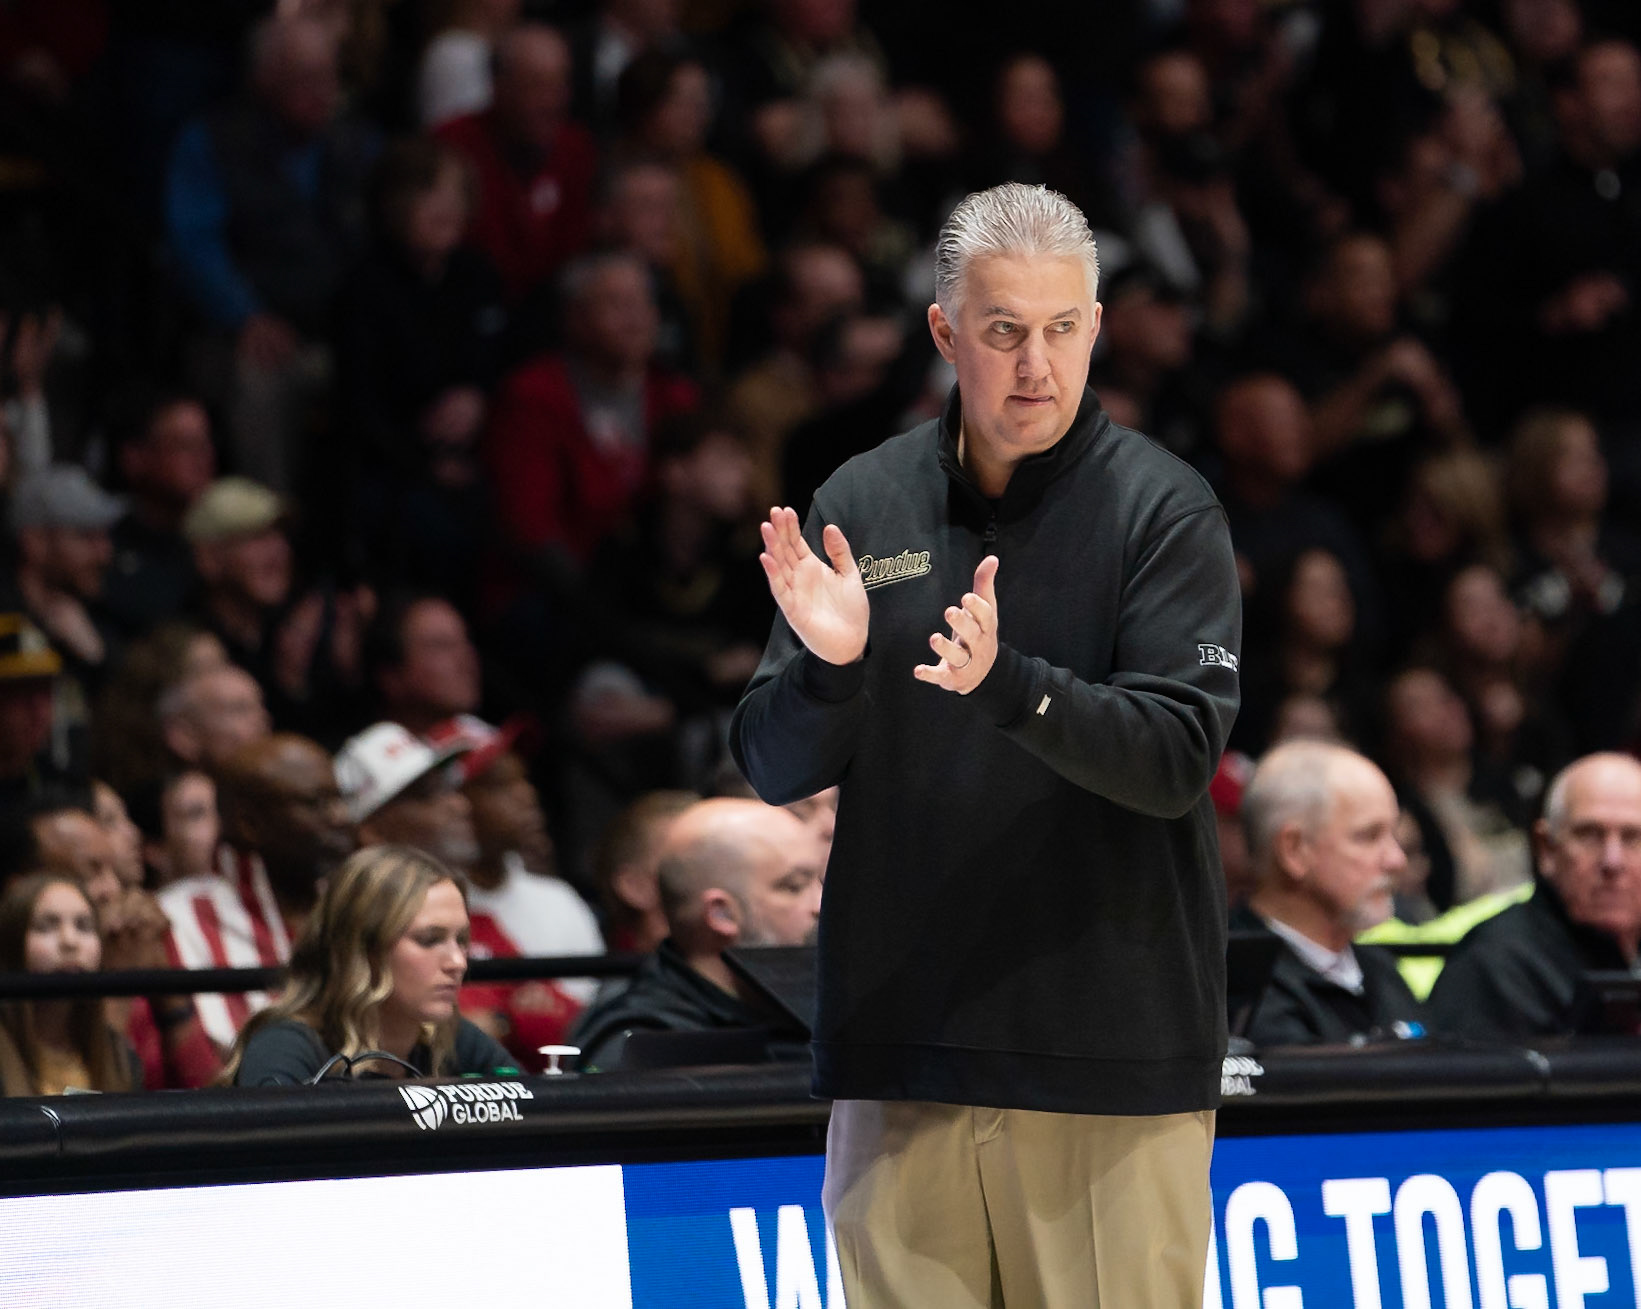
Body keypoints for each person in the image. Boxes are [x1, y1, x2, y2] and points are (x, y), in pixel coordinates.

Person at [731, 182, 1241, 1308]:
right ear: (945, 331)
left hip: (1109, 1063)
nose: (1036, 365)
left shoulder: (1166, 510)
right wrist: (826, 668)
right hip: (901, 1054)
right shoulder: (862, 498)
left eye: (1064, 329)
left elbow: (1173, 759)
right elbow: (772, 766)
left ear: (1097, 327)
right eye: (1004, 331)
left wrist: (1011, 686)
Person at [225, 845, 514, 1085]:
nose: (458, 962)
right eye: (429, 940)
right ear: (364, 949)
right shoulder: (284, 1048)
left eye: (461, 939)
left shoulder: (451, 1039)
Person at [571, 797, 822, 1071]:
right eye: (794, 886)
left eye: (821, 881)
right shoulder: (648, 1044)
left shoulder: (826, 1006)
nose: (821, 904)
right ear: (721, 914)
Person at [159, 733, 357, 1050]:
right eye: (317, 803)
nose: (340, 817)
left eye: (340, 799)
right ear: (250, 823)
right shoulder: (177, 918)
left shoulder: (359, 907)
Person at [1430, 752, 1641, 1039]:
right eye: (1589, 835)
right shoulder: (1495, 967)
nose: (1613, 861)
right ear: (1546, 848)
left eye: (1633, 837)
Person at [1231, 741, 1428, 1046]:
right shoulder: (1232, 984)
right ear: (1294, 850)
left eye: (1393, 834)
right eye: (1369, 836)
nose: (1396, 860)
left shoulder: (1380, 969)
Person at [0, 873, 140, 1096]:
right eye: (46, 927)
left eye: (84, 926)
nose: (70, 941)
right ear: (12, 944)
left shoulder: (119, 1056)